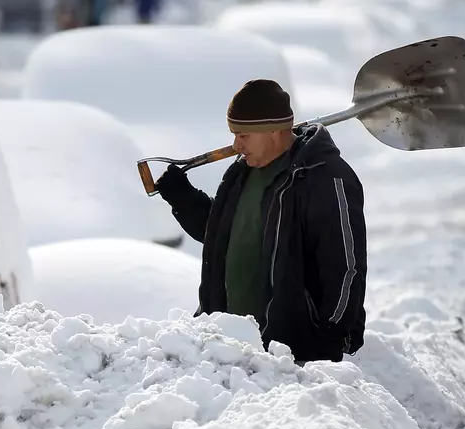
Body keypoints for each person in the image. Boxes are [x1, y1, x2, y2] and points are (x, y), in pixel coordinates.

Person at [154, 79, 367, 364]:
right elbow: (223, 237)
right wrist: (183, 198)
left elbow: (345, 267)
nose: (235, 146)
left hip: (292, 353)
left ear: (273, 131)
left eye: (243, 135)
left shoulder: (324, 177)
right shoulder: (241, 174)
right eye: (233, 135)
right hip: (229, 350)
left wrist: (329, 337)